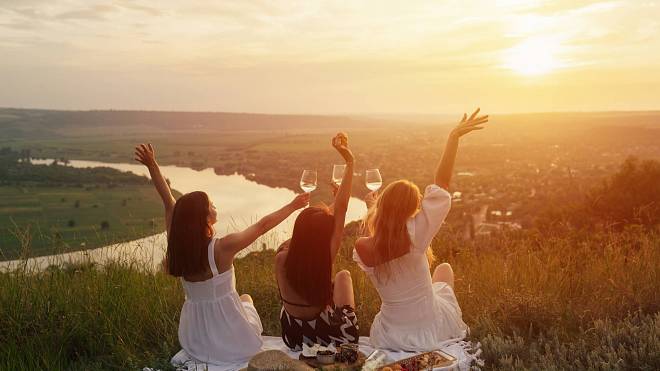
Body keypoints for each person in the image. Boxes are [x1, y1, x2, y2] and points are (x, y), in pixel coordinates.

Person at [134, 144, 309, 364]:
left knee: (243, 301)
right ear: (204, 217)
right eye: (211, 204)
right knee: (246, 298)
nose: (214, 205)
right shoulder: (222, 247)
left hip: (196, 337)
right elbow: (262, 226)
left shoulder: (178, 245)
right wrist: (293, 206)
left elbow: (168, 202)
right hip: (232, 339)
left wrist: (152, 165)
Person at [354, 108, 489, 351]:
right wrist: (453, 138)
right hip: (428, 328)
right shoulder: (417, 233)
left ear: (381, 205)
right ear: (411, 209)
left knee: (439, 280)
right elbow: (442, 184)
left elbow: (377, 238)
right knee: (445, 270)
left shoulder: (362, 248)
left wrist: (372, 209)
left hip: (390, 334)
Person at [275, 133, 359, 351]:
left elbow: (312, 230)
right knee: (342, 276)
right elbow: (341, 211)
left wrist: (335, 201)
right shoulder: (325, 255)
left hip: (293, 336)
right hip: (325, 336)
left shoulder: (281, 256)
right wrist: (350, 161)